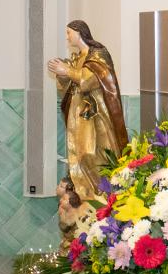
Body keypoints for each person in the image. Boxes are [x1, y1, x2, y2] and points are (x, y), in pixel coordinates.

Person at [47, 20, 128, 204]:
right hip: (78, 114)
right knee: (80, 155)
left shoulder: (99, 54)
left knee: (93, 154)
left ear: (79, 32)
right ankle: (87, 197)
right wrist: (61, 74)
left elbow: (89, 80)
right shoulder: (76, 58)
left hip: (96, 116)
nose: (67, 37)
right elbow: (66, 88)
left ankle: (103, 198)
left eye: (69, 32)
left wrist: (67, 70)